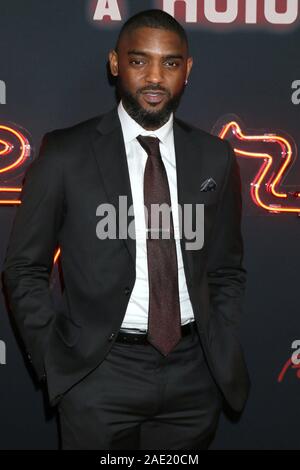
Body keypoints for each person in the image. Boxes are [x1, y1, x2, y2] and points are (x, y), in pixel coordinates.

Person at [2, 9, 250, 450]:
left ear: (187, 70)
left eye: (170, 63)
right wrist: (53, 361)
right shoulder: (64, 154)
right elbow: (23, 268)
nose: (155, 77)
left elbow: (226, 269)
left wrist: (221, 346)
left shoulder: (216, 158)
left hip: (194, 378)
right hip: (99, 375)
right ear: (115, 63)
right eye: (140, 61)